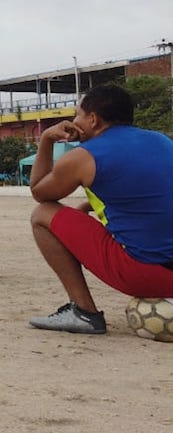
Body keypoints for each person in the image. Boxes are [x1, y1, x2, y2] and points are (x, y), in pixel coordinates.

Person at [26, 85, 173, 334]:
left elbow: (39, 192)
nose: (74, 121)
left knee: (42, 215)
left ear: (92, 119)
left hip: (149, 274)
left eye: (78, 115)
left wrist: (47, 140)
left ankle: (84, 312)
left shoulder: (84, 156)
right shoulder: (162, 140)